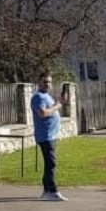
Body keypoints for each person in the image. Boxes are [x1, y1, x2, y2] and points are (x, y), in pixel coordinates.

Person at [31, 72, 65, 201]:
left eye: (49, 82)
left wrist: (58, 103)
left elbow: (50, 111)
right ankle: (52, 190)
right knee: (51, 163)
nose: (47, 84)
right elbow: (42, 113)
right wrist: (57, 106)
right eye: (44, 82)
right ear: (39, 83)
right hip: (44, 136)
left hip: (50, 135)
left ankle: (46, 190)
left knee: (49, 164)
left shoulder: (47, 96)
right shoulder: (38, 97)